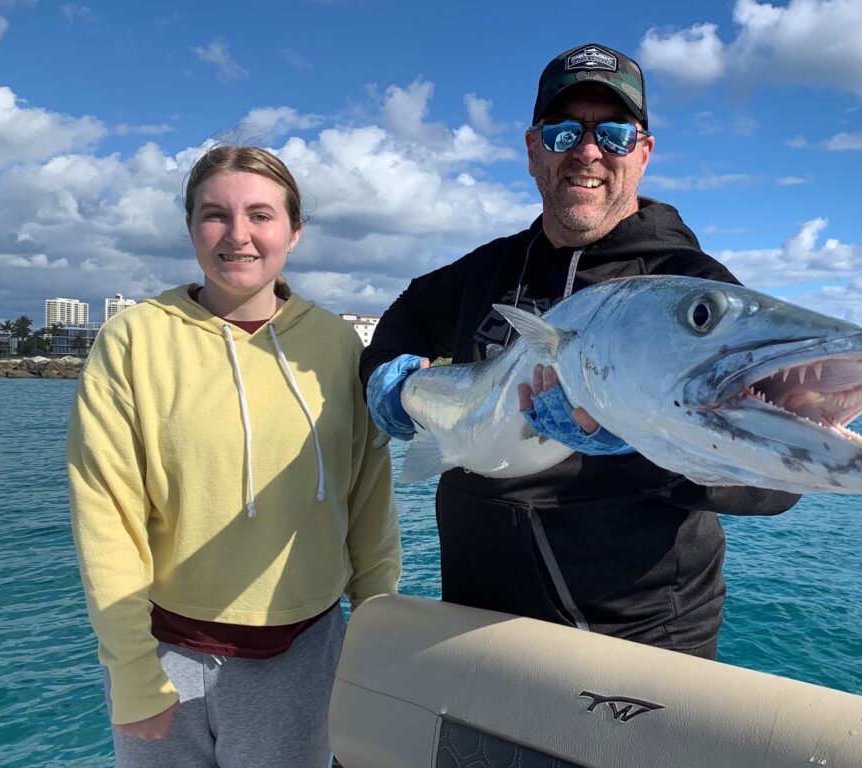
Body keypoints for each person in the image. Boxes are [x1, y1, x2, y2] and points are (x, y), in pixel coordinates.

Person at [361, 43, 798, 660]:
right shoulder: (487, 270)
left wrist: (640, 443)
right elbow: (407, 312)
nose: (588, 152)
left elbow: (774, 485)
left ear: (643, 152)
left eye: (614, 133)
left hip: (638, 641)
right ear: (533, 149)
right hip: (474, 621)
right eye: (564, 131)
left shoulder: (693, 295)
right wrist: (386, 376)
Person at [68, 145, 401, 767]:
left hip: (305, 652)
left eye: (261, 215)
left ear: (294, 231)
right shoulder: (132, 339)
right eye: (215, 214)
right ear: (191, 226)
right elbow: (104, 516)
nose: (238, 235)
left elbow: (369, 498)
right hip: (164, 649)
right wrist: (132, 668)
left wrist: (377, 630)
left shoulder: (337, 346)